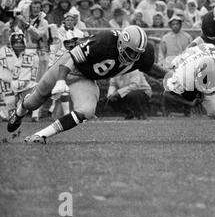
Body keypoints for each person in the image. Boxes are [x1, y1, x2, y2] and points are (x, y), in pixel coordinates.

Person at [7, 25, 167, 144]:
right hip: (69, 66)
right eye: (131, 52)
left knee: (87, 110)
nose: (133, 57)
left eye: (137, 54)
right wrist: (61, 80)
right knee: (34, 101)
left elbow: (149, 68)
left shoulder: (142, 55)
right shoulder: (105, 40)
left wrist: (168, 76)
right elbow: (73, 57)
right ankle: (20, 110)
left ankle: (40, 136)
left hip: (86, 78)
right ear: (121, 43)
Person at [0, 31, 39, 122]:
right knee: (9, 102)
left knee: (34, 96)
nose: (18, 45)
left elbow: (35, 69)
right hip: (8, 81)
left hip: (27, 81)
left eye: (20, 43)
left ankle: (35, 115)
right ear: (11, 44)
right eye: (15, 43)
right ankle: (11, 116)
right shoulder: (3, 52)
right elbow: (3, 71)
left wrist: (30, 80)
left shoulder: (31, 54)